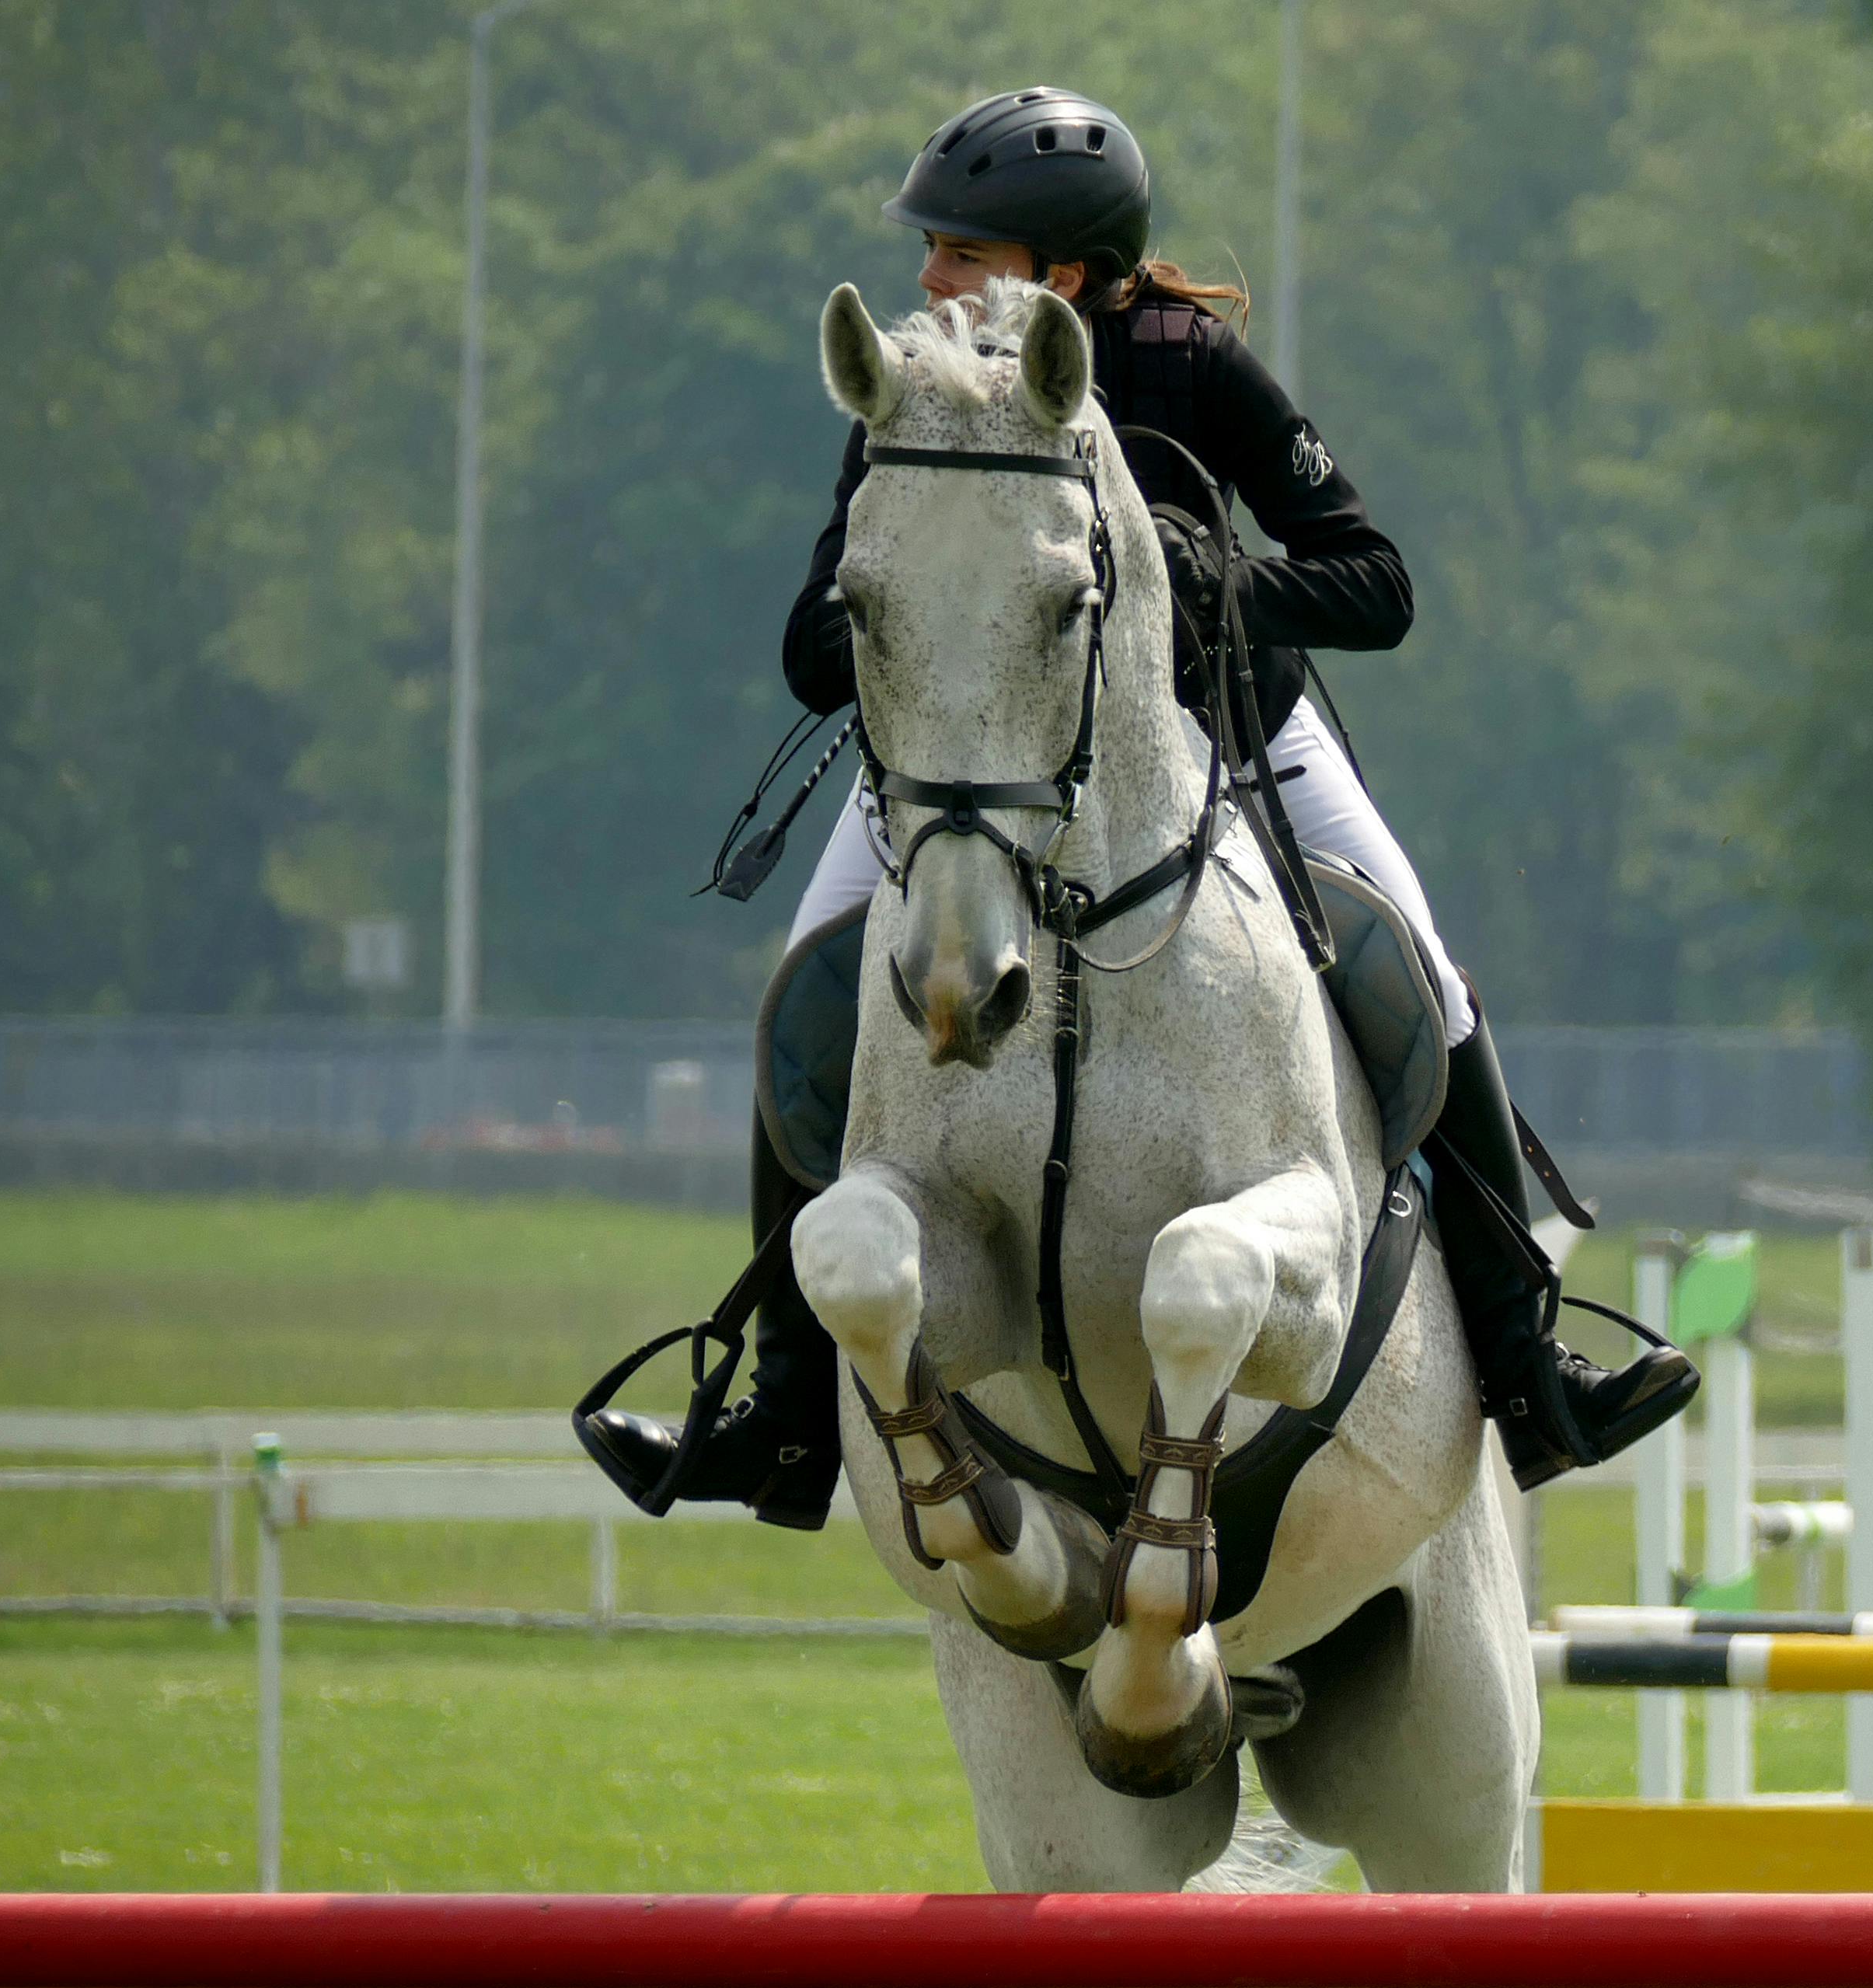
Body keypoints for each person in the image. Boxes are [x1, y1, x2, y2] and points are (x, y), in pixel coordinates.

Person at [582, 86, 1692, 1529]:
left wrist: (1221, 583)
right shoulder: (918, 389)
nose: (929, 278)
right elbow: (812, 641)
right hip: (970, 771)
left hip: (1227, 737)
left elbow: (1378, 583)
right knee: (807, 995)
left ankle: (1530, 1363)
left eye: (959, 251)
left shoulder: (1182, 359)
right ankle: (783, 1411)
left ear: (1064, 275)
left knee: (1418, 970)